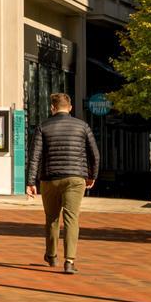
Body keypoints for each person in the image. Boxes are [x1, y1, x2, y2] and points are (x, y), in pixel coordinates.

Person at [25, 92, 99, 273]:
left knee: (52, 218)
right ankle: (70, 261)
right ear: (70, 108)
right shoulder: (82, 126)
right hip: (75, 178)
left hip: (49, 179)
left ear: (52, 108)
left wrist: (30, 181)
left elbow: (34, 157)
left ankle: (51, 256)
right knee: (71, 218)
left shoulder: (43, 126)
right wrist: (92, 175)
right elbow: (94, 154)